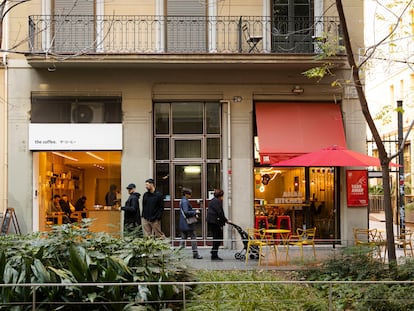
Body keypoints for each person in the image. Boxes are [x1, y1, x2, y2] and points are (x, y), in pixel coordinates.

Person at [179, 188, 202, 259]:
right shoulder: (185, 202)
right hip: (188, 223)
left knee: (183, 238)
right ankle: (195, 254)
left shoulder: (182, 201)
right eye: (189, 194)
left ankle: (179, 254)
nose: (190, 196)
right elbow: (186, 212)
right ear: (186, 194)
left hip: (183, 223)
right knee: (193, 238)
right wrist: (195, 212)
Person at [206, 189, 228, 260]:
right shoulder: (217, 201)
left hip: (212, 222)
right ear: (220, 196)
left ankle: (214, 252)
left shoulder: (213, 200)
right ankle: (214, 254)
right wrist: (225, 220)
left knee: (217, 237)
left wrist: (224, 220)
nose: (223, 198)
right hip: (214, 222)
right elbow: (220, 212)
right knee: (218, 237)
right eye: (222, 196)